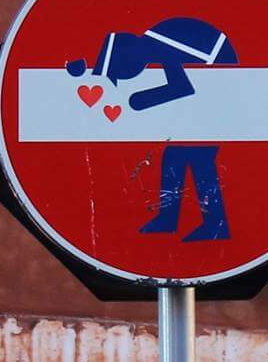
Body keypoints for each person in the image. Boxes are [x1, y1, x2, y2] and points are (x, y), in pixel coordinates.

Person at [68, 16, 236, 241]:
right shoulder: (156, 41)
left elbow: (181, 87)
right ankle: (168, 219)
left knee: (199, 157)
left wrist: (139, 100)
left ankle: (215, 225)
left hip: (221, 85)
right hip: (212, 87)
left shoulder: (162, 43)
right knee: (174, 155)